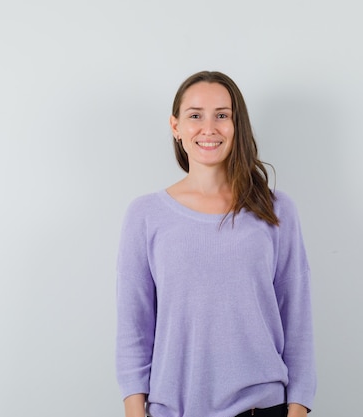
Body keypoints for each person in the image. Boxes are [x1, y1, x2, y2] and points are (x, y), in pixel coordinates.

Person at [116, 71, 316, 417]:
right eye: (195, 115)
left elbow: (296, 318)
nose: (209, 128)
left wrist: (297, 410)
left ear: (237, 126)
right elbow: (133, 327)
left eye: (222, 115)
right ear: (175, 127)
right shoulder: (145, 215)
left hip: (261, 407)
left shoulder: (275, 210)